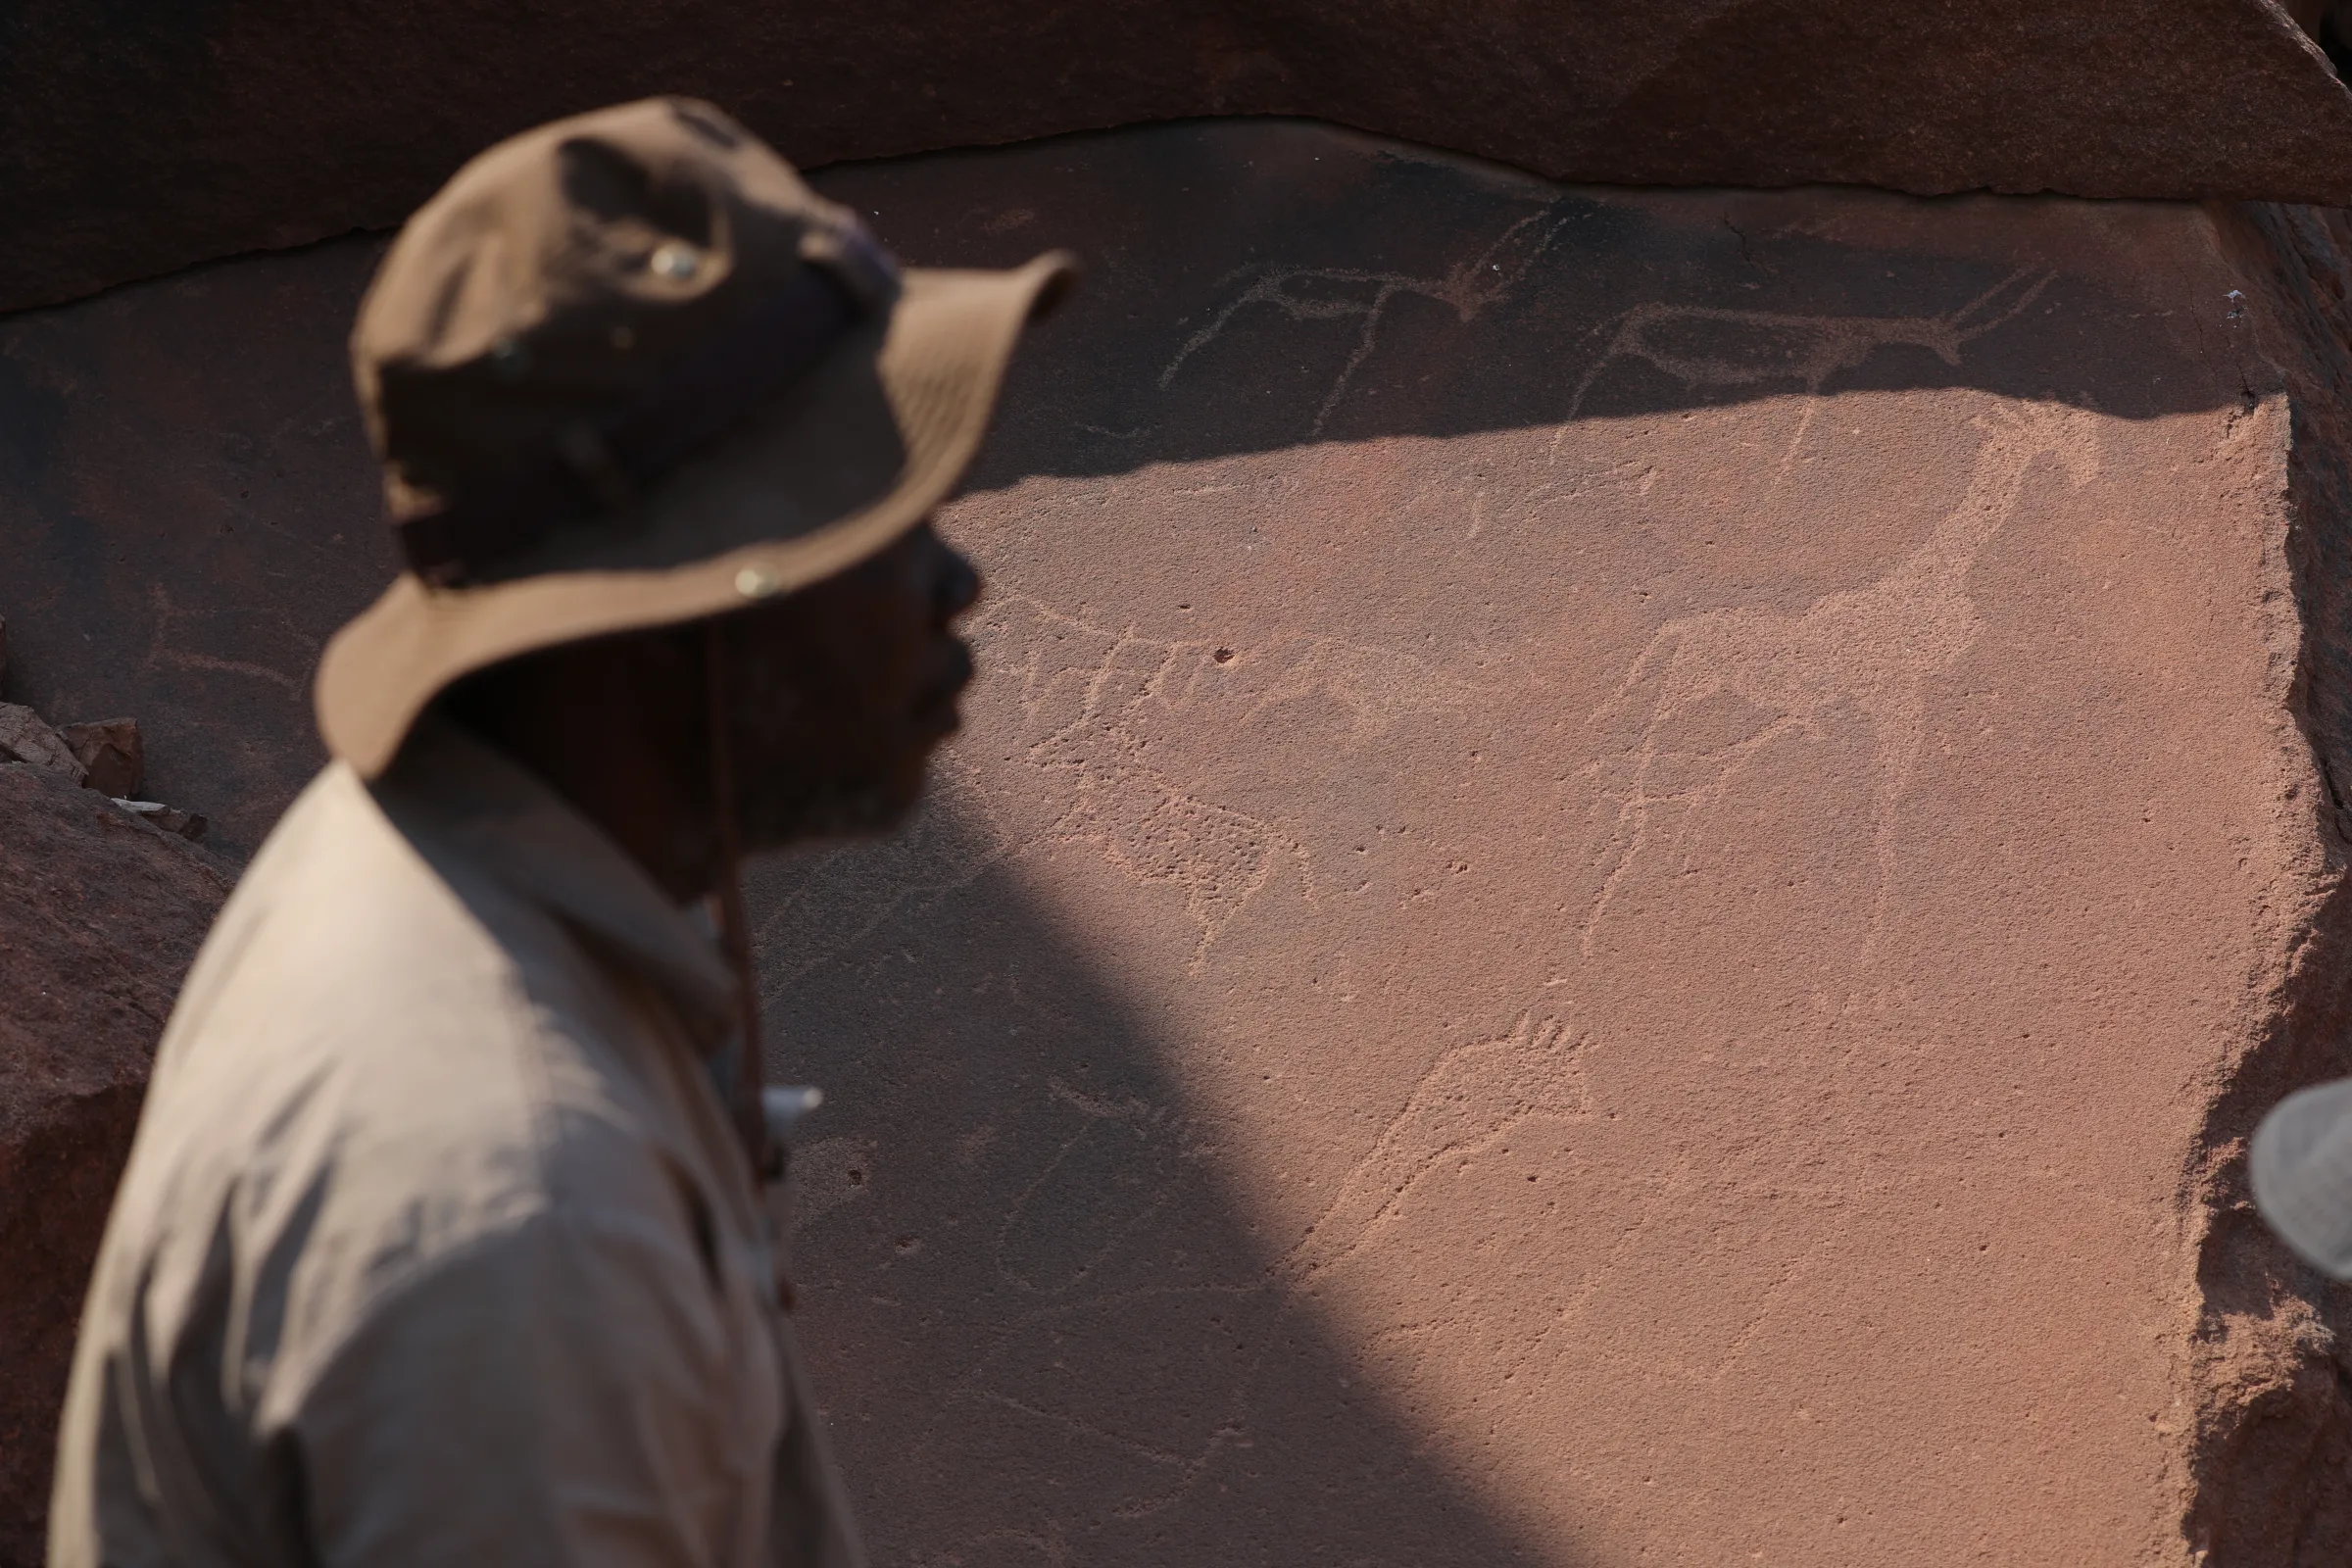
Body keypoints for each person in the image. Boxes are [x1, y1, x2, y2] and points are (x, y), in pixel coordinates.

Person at [48, 97, 1072, 1567]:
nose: (951, 580)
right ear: (676, 622)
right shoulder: (520, 1211)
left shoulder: (415, 850)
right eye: (874, 516)